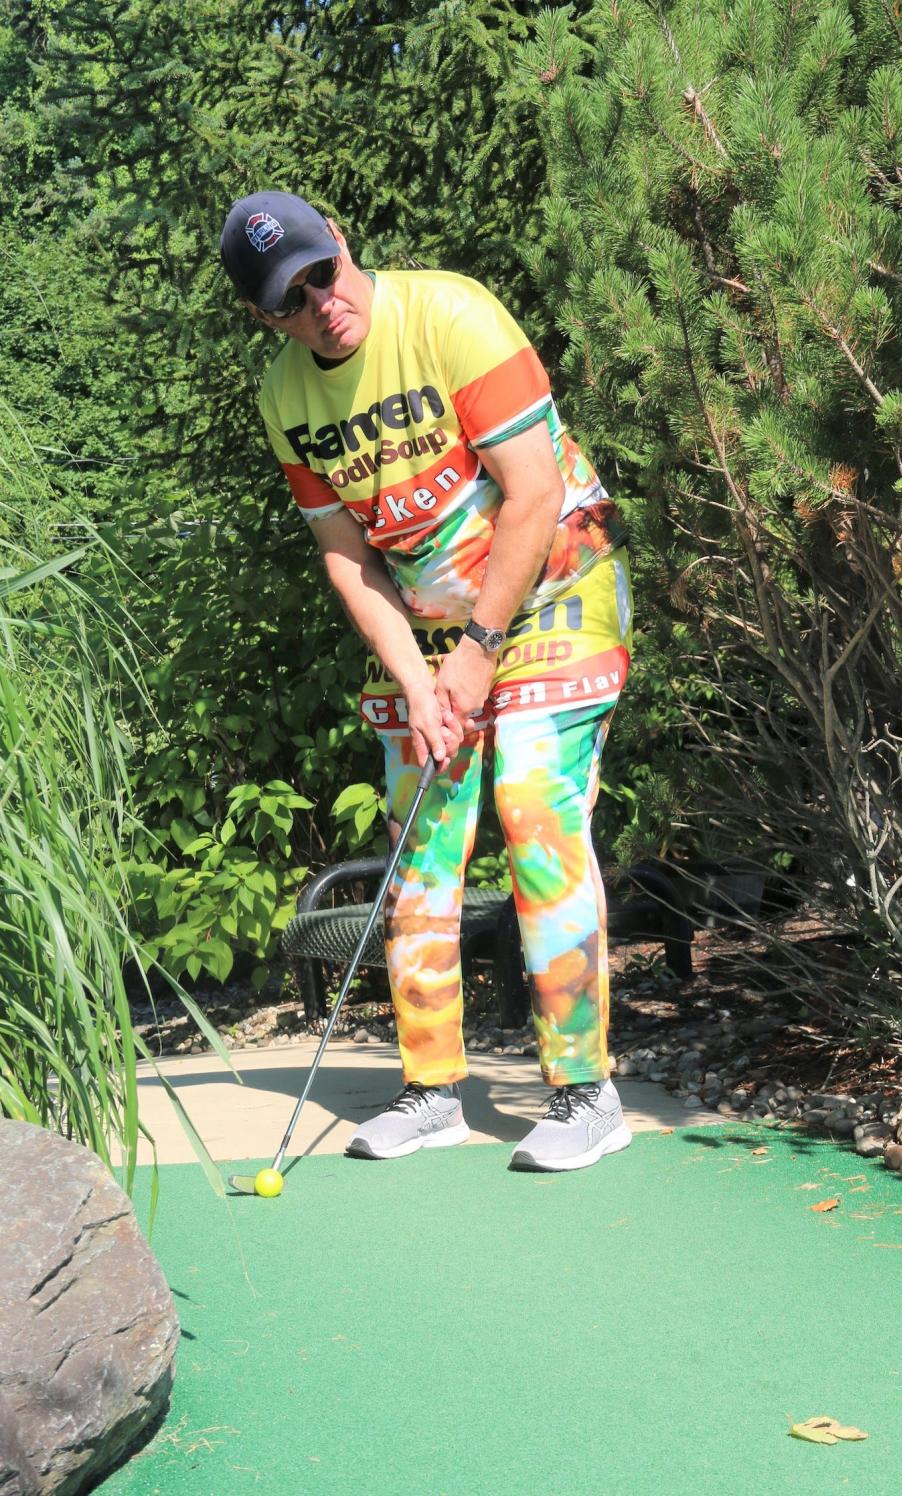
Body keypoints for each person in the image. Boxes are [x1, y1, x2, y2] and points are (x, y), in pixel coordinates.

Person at [220, 190, 634, 1171]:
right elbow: (346, 555)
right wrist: (416, 676)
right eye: (293, 297)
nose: (323, 303)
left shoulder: (451, 315)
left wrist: (481, 649)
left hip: (556, 594)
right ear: (264, 315)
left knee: (532, 801)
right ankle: (433, 1089)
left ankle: (585, 1089)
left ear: (343, 245)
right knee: (423, 848)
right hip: (436, 631)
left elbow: (532, 492)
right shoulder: (287, 397)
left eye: (325, 272)